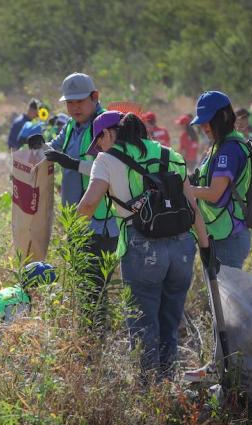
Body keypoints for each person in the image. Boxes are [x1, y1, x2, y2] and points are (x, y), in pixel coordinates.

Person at [77, 111, 209, 380]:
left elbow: (89, 204)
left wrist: (72, 231)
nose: (98, 148)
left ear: (108, 134)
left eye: (98, 141)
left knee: (142, 323)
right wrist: (206, 247)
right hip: (182, 248)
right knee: (169, 323)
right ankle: (168, 381)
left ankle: (149, 389)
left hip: (142, 248)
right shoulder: (168, 153)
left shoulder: (106, 158)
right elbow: (192, 206)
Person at [44, 72, 118, 325]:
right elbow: (53, 147)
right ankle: (88, 334)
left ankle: (95, 336)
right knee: (82, 283)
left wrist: (71, 163)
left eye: (80, 101)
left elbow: (107, 167)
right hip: (76, 219)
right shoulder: (72, 126)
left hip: (102, 221)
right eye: (70, 102)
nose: (74, 107)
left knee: (96, 286)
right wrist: (38, 147)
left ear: (95, 97)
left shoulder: (106, 126)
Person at [189, 91, 252, 268]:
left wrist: (184, 188)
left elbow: (215, 193)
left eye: (208, 120)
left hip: (229, 237)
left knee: (230, 296)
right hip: (219, 233)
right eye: (201, 123)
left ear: (223, 117)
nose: (203, 127)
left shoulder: (230, 149)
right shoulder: (219, 146)